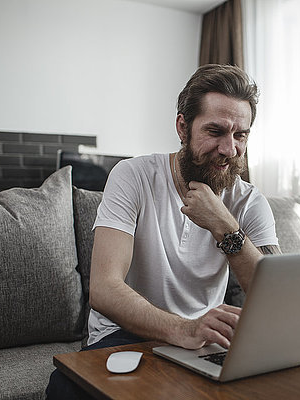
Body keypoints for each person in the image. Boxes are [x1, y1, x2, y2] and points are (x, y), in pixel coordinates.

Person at [46, 64, 280, 399]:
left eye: (240, 135)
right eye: (215, 132)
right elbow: (104, 289)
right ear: (182, 127)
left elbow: (273, 298)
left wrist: (225, 226)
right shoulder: (133, 176)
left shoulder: (250, 202)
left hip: (204, 344)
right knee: (66, 388)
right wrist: (185, 328)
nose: (230, 149)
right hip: (126, 335)